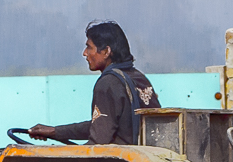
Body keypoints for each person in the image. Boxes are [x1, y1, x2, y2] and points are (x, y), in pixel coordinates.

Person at [28, 21, 160, 145]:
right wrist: (55, 132)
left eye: (89, 47)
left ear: (106, 52)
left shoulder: (108, 83)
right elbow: (103, 123)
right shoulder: (138, 78)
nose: (85, 53)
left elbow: (98, 142)